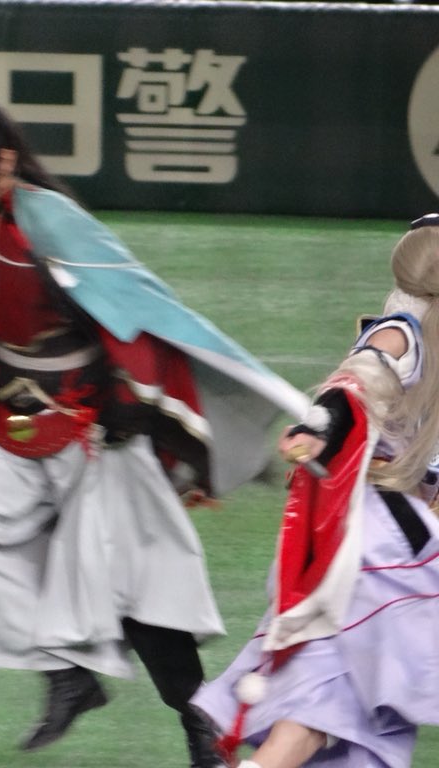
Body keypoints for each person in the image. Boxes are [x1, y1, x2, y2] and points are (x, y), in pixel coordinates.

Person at [0, 95, 309, 764]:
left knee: (138, 598)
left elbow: (133, 308)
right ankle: (67, 674)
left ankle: (201, 727)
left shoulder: (51, 222)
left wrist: (131, 405)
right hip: (10, 425)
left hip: (98, 428)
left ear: (2, 164)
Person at [191, 216, 439, 768]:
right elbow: (352, 385)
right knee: (320, 712)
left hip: (375, 540)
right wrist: (318, 427)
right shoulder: (400, 333)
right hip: (375, 548)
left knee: (316, 712)